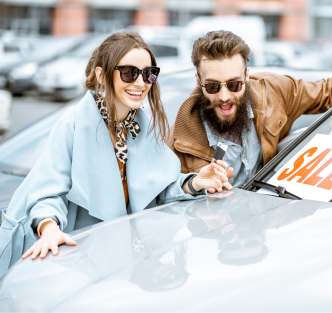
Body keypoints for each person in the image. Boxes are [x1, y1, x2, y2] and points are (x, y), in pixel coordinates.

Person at [0, 32, 232, 277]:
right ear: (102, 75)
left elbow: (156, 189)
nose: (141, 83)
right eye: (129, 73)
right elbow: (47, 192)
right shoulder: (74, 123)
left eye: (149, 73)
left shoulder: (142, 127)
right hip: (60, 256)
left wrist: (195, 182)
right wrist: (49, 228)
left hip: (109, 260)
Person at [170, 30, 332, 186]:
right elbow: (169, 197)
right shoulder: (181, 134)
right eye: (213, 87)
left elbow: (327, 91)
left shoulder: (275, 91)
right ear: (199, 82)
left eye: (235, 84)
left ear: (247, 75)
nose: (225, 96)